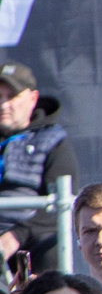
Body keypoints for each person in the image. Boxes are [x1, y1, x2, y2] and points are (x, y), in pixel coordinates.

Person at [0, 61, 76, 267]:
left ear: (32, 98)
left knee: (50, 247)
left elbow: (61, 205)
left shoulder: (53, 140)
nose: (3, 104)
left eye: (11, 96)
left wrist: (15, 236)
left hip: (28, 237)